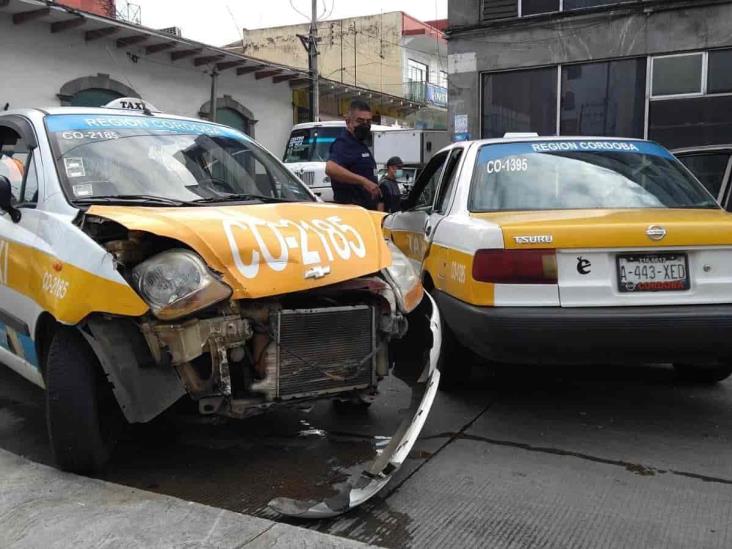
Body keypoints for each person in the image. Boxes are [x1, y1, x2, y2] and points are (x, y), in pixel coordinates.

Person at [325, 100, 381, 210]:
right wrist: (363, 181)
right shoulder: (344, 143)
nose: (365, 125)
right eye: (360, 121)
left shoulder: (360, 144)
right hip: (352, 212)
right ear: (348, 122)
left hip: (367, 212)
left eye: (368, 121)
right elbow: (330, 168)